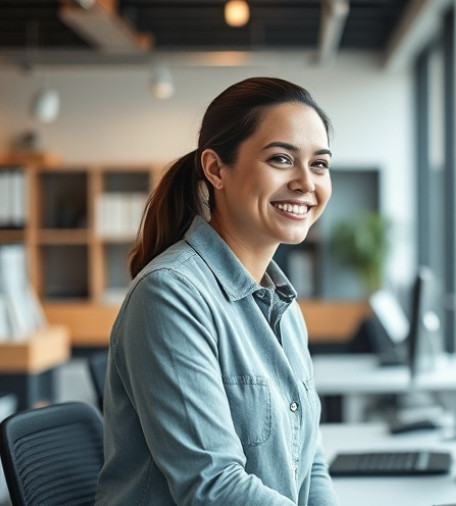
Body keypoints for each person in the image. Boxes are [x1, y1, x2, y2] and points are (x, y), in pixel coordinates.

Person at [95, 77, 339, 505]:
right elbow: (212, 486)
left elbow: (309, 461)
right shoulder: (171, 296)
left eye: (319, 164)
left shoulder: (283, 307)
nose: (306, 182)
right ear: (215, 169)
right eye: (282, 159)